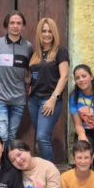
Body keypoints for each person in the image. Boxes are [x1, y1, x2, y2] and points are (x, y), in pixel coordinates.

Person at [28, 18, 70, 161]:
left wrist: (53, 98)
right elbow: (33, 76)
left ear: (54, 33)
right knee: (42, 138)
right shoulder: (35, 54)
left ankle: (51, 172)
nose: (47, 34)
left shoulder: (60, 51)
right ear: (39, 33)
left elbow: (64, 76)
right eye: (44, 31)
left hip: (49, 100)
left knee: (42, 138)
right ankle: (45, 169)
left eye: (50, 31)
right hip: (33, 101)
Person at [0, 10, 33, 145]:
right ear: (6, 25)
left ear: (23, 26)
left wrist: (29, 83)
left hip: (18, 98)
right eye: (12, 23)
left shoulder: (28, 47)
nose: (15, 26)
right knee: (2, 133)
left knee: (12, 134)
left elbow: (29, 70)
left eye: (19, 23)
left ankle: (8, 158)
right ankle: (0, 158)